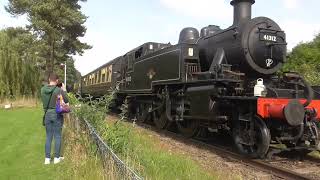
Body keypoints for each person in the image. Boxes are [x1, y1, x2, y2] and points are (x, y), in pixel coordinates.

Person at [41, 73, 69, 165]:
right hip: (57, 114)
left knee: (48, 136)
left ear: (49, 79)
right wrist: (64, 90)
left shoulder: (42, 89)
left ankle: (47, 159)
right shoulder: (58, 90)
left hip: (47, 114)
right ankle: (57, 158)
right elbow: (66, 100)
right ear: (57, 81)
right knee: (57, 136)